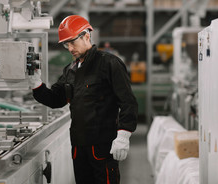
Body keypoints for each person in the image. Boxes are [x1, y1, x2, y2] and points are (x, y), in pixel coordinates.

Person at [30, 15, 138, 184]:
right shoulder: (70, 70)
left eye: (72, 42)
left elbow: (128, 101)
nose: (70, 48)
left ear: (86, 36)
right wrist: (36, 84)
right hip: (79, 147)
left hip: (103, 145)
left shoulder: (109, 64)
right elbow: (56, 100)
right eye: (66, 44)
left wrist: (123, 135)